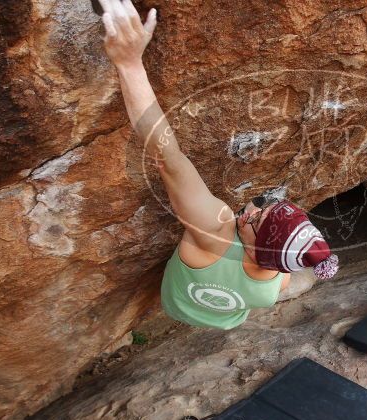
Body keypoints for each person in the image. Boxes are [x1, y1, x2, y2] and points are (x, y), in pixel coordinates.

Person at [97, 0, 338, 329]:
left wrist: (129, 65)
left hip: (176, 302)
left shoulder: (216, 232)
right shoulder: (273, 287)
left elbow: (169, 159)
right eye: (268, 205)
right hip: (220, 318)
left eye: (255, 219)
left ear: (253, 250)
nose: (251, 208)